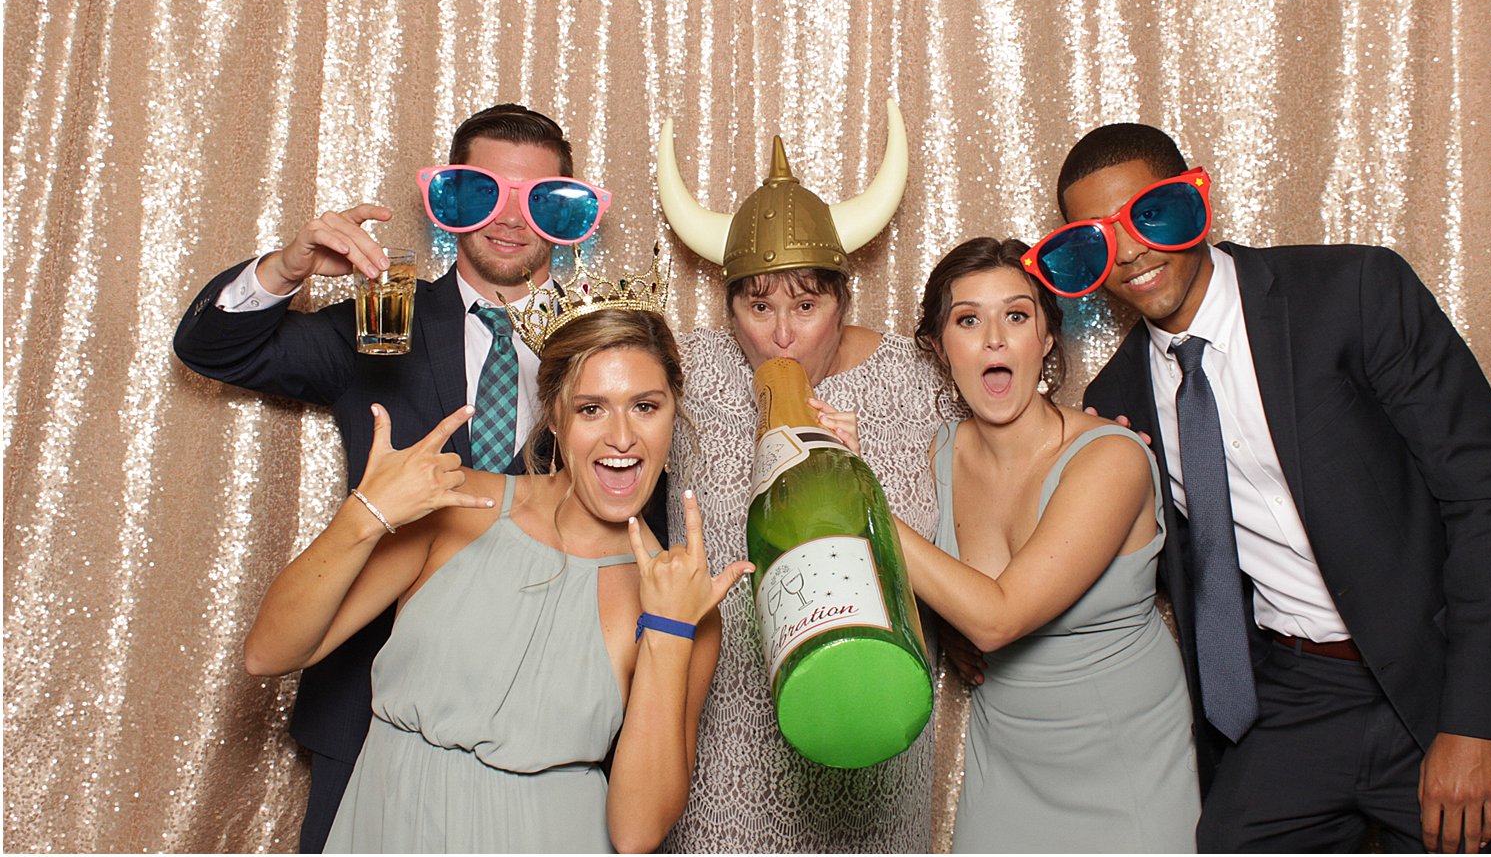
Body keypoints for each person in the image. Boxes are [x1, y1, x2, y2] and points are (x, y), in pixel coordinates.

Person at [1035, 122, 1491, 852]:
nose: (1131, 251)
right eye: (1096, 240)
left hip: (1439, 670)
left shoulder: (1353, 292)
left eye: (1150, 214)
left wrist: (1475, 719)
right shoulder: (1117, 398)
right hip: (1294, 694)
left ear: (1197, 198)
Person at [174, 103, 594, 851]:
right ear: (449, 202)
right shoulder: (383, 317)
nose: (507, 219)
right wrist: (287, 267)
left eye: (537, 199)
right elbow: (215, 350)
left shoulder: (600, 340)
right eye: (481, 192)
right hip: (374, 701)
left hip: (549, 707)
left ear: (564, 213)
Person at [243, 268, 752, 853]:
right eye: (591, 409)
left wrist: (668, 629)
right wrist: (364, 515)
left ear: (672, 415)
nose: (621, 437)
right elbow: (269, 653)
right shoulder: (459, 505)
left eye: (645, 406)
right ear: (556, 419)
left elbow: (637, 833)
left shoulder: (682, 598)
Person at [818, 236, 1199, 852]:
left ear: (1046, 339)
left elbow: (997, 618)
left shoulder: (1112, 458)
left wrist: (861, 496)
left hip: (1126, 765)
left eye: (1016, 316)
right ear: (940, 350)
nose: (994, 338)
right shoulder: (938, 452)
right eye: (968, 320)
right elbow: (928, 593)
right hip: (1006, 767)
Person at [653, 100, 952, 850]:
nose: (782, 332)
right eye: (759, 305)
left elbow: (1009, 465)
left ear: (843, 299)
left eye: (807, 304)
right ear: (731, 309)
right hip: (732, 740)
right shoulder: (684, 373)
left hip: (873, 720)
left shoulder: (916, 381)